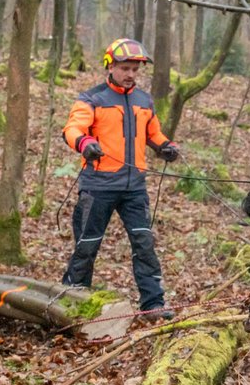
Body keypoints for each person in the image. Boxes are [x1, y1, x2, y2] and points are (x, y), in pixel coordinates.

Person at [60, 38, 179, 320]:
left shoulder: (144, 100)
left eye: (135, 70)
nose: (130, 74)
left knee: (144, 245)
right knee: (87, 246)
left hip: (134, 188)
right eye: (125, 68)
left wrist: (166, 147)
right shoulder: (91, 99)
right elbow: (72, 129)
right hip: (97, 186)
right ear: (110, 66)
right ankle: (72, 301)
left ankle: (153, 304)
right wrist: (85, 143)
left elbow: (153, 133)